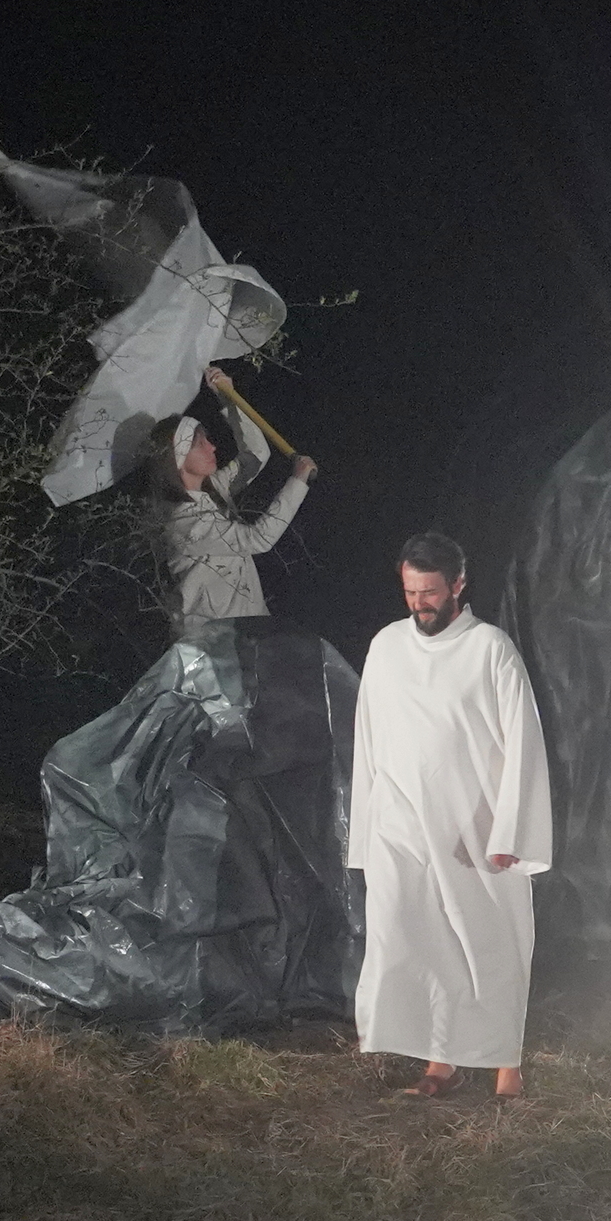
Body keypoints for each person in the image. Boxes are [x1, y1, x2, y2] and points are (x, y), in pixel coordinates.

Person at [348, 531, 553, 1098]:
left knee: (490, 943)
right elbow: (369, 738)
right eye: (410, 592)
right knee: (415, 939)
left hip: (474, 831)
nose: (420, 604)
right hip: (400, 825)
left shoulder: (490, 649)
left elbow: (523, 742)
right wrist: (367, 828)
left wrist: (510, 830)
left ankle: (506, 1066)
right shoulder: (387, 646)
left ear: (459, 584)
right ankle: (440, 1062)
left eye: (431, 592)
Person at [148, 365, 316, 638]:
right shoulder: (183, 522)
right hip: (215, 644)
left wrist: (228, 398)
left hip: (252, 631)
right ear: (177, 460)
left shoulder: (215, 488)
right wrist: (298, 481)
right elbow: (258, 539)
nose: (212, 447)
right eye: (200, 444)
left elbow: (256, 454)